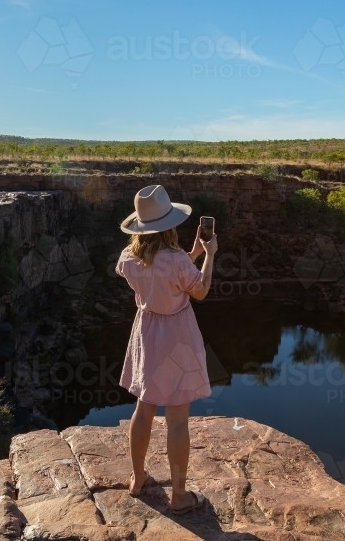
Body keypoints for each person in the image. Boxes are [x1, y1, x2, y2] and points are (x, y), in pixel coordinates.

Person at [115, 184, 217, 514]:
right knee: (177, 420)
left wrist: (193, 254)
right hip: (177, 336)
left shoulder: (129, 258)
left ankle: (138, 477)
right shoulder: (175, 261)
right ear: (169, 224)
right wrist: (210, 255)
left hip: (147, 331)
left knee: (144, 409)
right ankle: (179, 496)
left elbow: (161, 271)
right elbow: (198, 290)